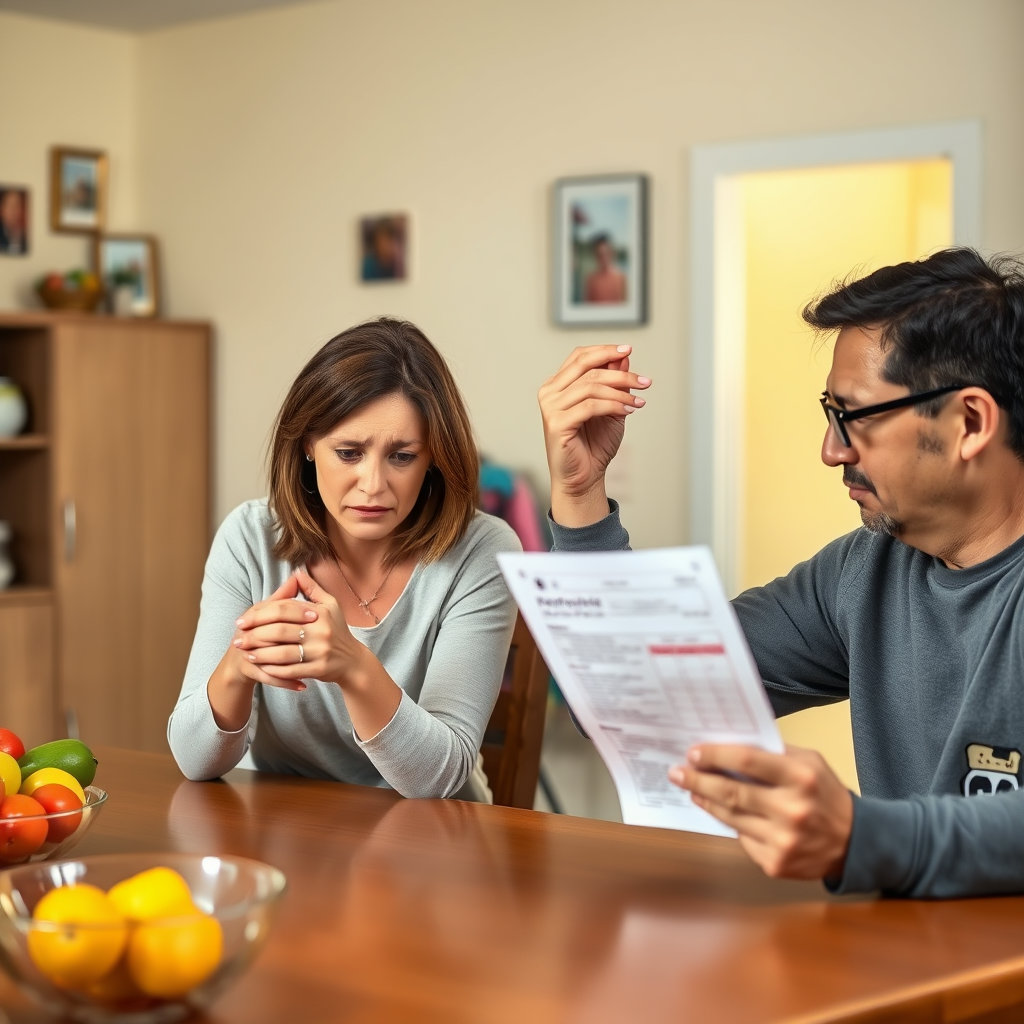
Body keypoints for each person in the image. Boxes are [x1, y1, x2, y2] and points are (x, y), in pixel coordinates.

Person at [537, 246, 1024, 898]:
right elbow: (642, 690)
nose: (831, 450)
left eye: (853, 417)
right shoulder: (863, 572)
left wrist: (861, 835)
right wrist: (579, 493)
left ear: (969, 422)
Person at [169, 317, 521, 800]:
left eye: (402, 456)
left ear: (434, 456)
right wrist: (238, 665)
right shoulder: (249, 538)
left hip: (433, 846)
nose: (373, 485)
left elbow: (440, 778)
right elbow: (193, 760)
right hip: (286, 833)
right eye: (350, 452)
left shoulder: (481, 551)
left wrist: (353, 666)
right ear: (309, 445)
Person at [583, 233, 627, 303]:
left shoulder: (621, 278)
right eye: (599, 255)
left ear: (611, 252)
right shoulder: (591, 280)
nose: (603, 259)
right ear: (595, 256)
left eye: (605, 254)